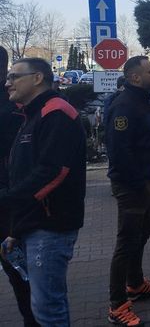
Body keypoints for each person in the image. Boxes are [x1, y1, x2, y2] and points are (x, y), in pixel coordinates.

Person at [0, 57, 86, 326]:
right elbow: (25, 174)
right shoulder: (31, 114)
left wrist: (7, 201)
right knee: (44, 306)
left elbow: (54, 171)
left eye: (15, 76)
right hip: (35, 224)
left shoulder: (56, 112)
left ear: (37, 78)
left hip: (51, 226)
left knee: (48, 308)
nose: (7, 82)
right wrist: (17, 228)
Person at [106, 56, 150, 326]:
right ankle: (117, 305)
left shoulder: (142, 101)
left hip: (146, 180)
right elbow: (119, 151)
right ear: (135, 78)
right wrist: (138, 183)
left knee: (145, 229)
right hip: (132, 185)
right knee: (126, 241)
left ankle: (136, 283)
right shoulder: (125, 106)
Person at [0, 48, 38, 327]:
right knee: (21, 270)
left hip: (12, 200)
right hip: (15, 199)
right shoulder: (18, 105)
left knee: (20, 268)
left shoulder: (15, 107)